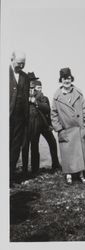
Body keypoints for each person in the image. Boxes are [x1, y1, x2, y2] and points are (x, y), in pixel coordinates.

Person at [51, 67, 85, 185]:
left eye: (68, 78)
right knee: (67, 154)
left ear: (71, 79)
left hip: (79, 128)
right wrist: (59, 129)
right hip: (66, 130)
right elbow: (53, 114)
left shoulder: (78, 93)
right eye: (64, 78)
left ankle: (81, 175)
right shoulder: (56, 96)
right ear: (61, 80)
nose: (67, 81)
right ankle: (68, 175)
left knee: (80, 154)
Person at [22, 75, 61, 175]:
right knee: (28, 146)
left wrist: (35, 102)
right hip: (30, 125)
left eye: (33, 82)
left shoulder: (41, 96)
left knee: (51, 142)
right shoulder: (23, 94)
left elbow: (48, 110)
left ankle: (55, 165)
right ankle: (26, 170)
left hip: (44, 125)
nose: (32, 84)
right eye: (30, 81)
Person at [9, 50, 29, 185]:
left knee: (16, 146)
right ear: (12, 59)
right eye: (18, 63)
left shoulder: (25, 77)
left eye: (23, 64)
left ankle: (10, 175)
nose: (21, 67)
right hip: (6, 116)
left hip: (20, 118)